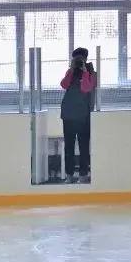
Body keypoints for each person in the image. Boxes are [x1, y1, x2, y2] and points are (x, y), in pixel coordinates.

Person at [60, 47, 97, 184]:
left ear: (86, 59)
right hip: (68, 114)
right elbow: (64, 85)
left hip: (83, 116)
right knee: (69, 146)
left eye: (81, 59)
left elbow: (86, 88)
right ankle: (69, 175)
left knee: (83, 146)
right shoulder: (70, 72)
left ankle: (83, 175)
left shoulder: (91, 72)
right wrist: (71, 70)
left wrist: (85, 73)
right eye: (76, 59)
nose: (79, 61)